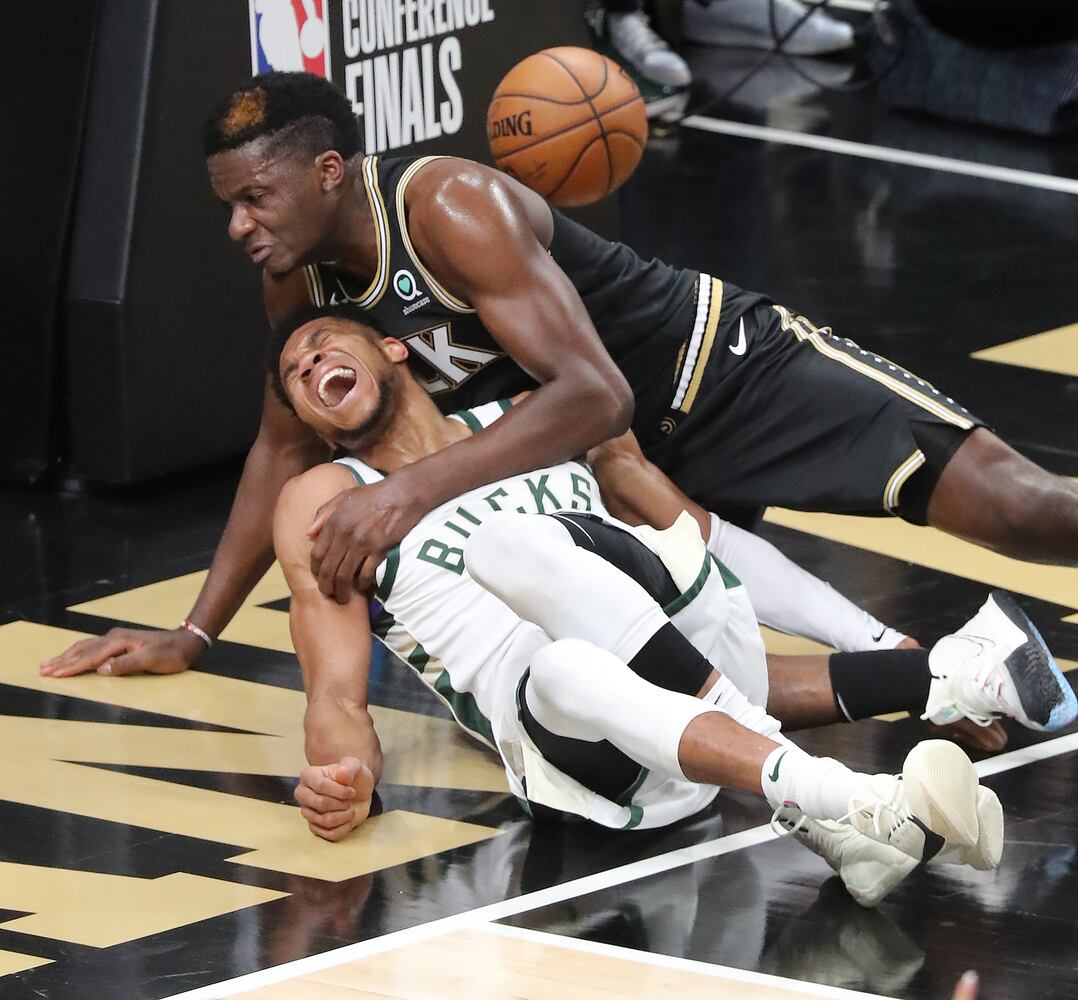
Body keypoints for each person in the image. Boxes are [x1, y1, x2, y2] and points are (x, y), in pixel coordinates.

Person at [41, 71, 1078, 680]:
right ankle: (932, 681)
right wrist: (194, 633)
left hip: (716, 376)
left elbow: (596, 391)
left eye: (254, 199)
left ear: (327, 172)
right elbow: (279, 448)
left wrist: (407, 490)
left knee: (1019, 507)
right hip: (602, 469)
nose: (238, 226)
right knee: (681, 687)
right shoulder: (295, 282)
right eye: (228, 205)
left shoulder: (447, 207)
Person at [266, 308, 1072, 907]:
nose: (310, 365)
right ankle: (947, 682)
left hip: (683, 669)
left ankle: (854, 803)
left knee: (556, 558)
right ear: (309, 423)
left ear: (394, 348)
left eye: (322, 343)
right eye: (295, 375)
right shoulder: (326, 499)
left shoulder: (532, 417)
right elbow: (335, 695)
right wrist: (343, 779)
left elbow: (707, 540)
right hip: (583, 753)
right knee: (559, 652)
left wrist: (879, 636)